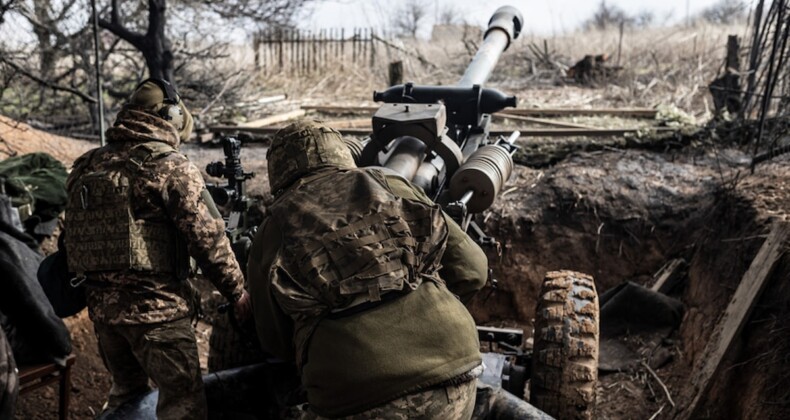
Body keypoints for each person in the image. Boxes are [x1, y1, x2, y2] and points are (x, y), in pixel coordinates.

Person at [248, 120, 488, 419]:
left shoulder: (273, 229)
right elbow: (473, 269)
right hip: (455, 373)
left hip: (355, 397)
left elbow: (274, 341)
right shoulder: (390, 184)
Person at [63, 78, 251, 419]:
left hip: (105, 317)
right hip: (158, 314)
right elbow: (208, 239)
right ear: (171, 116)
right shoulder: (170, 165)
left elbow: (72, 239)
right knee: (183, 405)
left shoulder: (87, 165)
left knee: (126, 398)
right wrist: (237, 292)